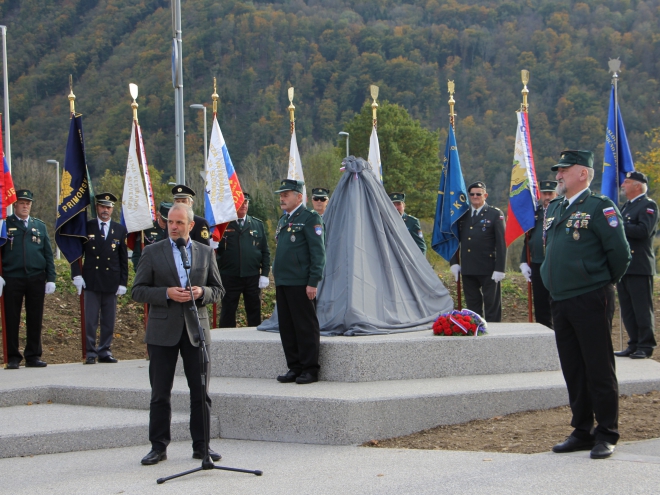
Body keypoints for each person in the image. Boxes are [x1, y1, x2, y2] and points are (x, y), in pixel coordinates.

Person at [541, 150, 630, 460]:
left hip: (590, 296)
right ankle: (582, 429)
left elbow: (620, 253)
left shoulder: (599, 207)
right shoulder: (554, 208)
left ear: (583, 173)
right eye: (559, 170)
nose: (559, 175)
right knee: (574, 368)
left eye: (565, 170)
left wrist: (599, 282)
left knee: (598, 366)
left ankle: (606, 432)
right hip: (561, 299)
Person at [132, 203, 224, 465]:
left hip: (196, 330)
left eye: (179, 223)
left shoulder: (205, 253)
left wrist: (201, 293)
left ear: (191, 226)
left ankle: (202, 446)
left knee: (200, 392)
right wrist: (165, 293)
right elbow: (137, 290)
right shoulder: (151, 252)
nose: (173, 227)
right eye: (170, 222)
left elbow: (218, 290)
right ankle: (158, 447)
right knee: (160, 392)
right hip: (162, 332)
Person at [273, 179, 325, 385]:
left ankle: (310, 369)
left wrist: (313, 281)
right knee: (287, 326)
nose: (282, 198)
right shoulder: (283, 220)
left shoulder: (310, 218)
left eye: (286, 195)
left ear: (299, 197)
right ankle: (294, 367)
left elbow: (318, 253)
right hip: (284, 281)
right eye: (281, 195)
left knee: (305, 326)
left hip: (301, 282)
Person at [0, 189, 56, 369]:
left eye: (28, 203)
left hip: (36, 278)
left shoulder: (39, 226)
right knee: (11, 318)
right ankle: (13, 357)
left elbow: (48, 253)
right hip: (12, 277)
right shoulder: (5, 225)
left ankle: (33, 356)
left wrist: (51, 278)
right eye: (22, 203)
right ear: (15, 204)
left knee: (35, 317)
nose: (25, 206)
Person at [71, 193, 128, 365]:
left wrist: (123, 282)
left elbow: (123, 259)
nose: (105, 210)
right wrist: (76, 274)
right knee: (90, 320)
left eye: (109, 207)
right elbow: (75, 253)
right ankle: (90, 352)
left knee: (108, 320)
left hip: (111, 279)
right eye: (102, 206)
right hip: (92, 279)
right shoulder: (87, 227)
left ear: (112, 209)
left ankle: (105, 350)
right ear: (97, 207)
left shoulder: (119, 230)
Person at [614, 171, 657, 359]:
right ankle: (633, 343)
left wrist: (619, 225)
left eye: (627, 182)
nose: (623, 184)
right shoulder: (626, 207)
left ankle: (645, 346)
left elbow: (643, 231)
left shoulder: (648, 205)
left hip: (640, 265)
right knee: (628, 308)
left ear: (638, 186)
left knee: (641, 308)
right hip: (625, 266)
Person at [450, 181, 506, 322]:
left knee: (491, 306)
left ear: (485, 195)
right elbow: (454, 240)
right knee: (472, 308)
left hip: (488, 268)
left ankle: (493, 336)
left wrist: (500, 268)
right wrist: (454, 263)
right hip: (468, 268)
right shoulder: (462, 215)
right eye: (472, 194)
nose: (475, 196)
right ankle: (475, 334)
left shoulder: (494, 214)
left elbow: (501, 243)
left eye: (478, 194)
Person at [216, 193, 271, 327]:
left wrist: (264, 274)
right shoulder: (223, 224)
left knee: (254, 310)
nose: (244, 205)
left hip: (251, 276)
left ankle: (253, 340)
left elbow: (265, 251)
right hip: (229, 276)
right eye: (241, 202)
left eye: (246, 202)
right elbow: (216, 253)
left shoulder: (257, 224)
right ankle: (226, 341)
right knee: (228, 311)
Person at [519, 180, 557, 329]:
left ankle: (558, 332)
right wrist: (523, 261)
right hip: (537, 262)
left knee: (555, 300)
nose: (547, 197)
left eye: (550, 193)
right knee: (540, 301)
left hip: (555, 264)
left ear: (556, 194)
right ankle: (544, 331)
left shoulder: (561, 210)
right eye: (545, 193)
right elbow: (528, 239)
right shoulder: (534, 214)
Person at [131, 202, 171, 270]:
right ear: (158, 215)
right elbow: (137, 255)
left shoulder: (174, 231)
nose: (166, 224)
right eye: (164, 221)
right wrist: (139, 272)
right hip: (150, 271)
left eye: (169, 221)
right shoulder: (147, 230)